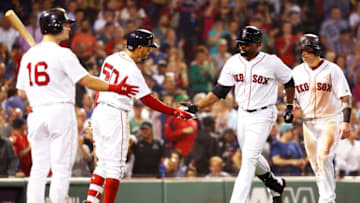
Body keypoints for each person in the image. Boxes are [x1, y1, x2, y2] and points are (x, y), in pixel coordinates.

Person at [16, 8, 139, 203]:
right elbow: (88, 81)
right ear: (55, 26)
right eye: (65, 24)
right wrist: (116, 87)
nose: (68, 28)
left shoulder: (29, 56)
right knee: (61, 167)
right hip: (60, 111)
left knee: (38, 167)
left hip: (36, 112)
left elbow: (22, 92)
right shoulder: (63, 53)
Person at [182, 26, 295, 203]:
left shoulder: (271, 61)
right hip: (242, 114)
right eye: (241, 43)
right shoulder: (234, 62)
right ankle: (274, 183)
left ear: (258, 44)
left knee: (248, 160)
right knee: (252, 156)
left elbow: (289, 80)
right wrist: (197, 106)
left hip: (264, 113)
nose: (242, 46)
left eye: (247, 44)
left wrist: (289, 106)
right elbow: (220, 91)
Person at [86, 29, 194, 203]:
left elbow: (100, 87)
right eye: (147, 47)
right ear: (139, 47)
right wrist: (175, 112)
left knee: (103, 164)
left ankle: (91, 201)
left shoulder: (111, 58)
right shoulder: (131, 69)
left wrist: (95, 113)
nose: (149, 51)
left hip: (100, 110)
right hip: (115, 113)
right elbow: (149, 101)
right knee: (115, 168)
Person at [292, 33, 352, 203]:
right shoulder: (296, 72)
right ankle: (326, 198)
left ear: (317, 50)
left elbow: (345, 98)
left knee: (324, 156)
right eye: (302, 50)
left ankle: (327, 200)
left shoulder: (333, 69)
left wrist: (346, 122)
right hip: (308, 123)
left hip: (330, 119)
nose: (304, 54)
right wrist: (292, 104)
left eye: (308, 50)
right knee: (317, 165)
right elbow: (290, 96)